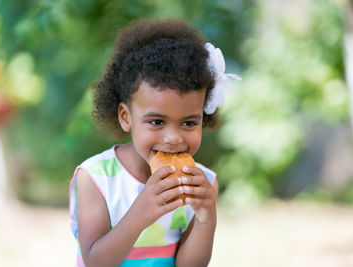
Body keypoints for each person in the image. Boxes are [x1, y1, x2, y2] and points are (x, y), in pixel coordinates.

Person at [69, 18, 240, 267]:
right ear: (126, 117)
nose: (173, 138)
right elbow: (96, 262)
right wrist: (141, 213)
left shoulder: (201, 184)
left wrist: (206, 217)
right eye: (157, 122)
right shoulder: (96, 179)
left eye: (189, 123)